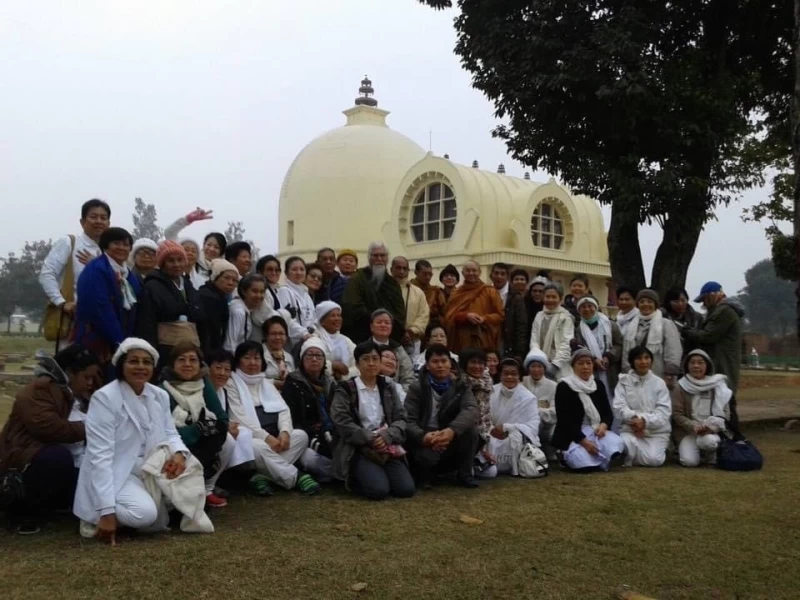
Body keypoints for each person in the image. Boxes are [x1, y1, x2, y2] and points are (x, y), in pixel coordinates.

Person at [74, 338, 212, 540]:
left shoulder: (159, 395)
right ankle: (97, 516)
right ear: (121, 365)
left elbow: (171, 433)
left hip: (151, 465)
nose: (140, 367)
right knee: (144, 514)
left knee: (191, 481)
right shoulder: (105, 398)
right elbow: (100, 457)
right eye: (133, 361)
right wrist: (106, 511)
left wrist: (180, 454)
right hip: (117, 471)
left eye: (146, 362)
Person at [0, 346, 99, 534]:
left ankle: (53, 504)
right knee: (56, 458)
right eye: (86, 377)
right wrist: (93, 428)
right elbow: (49, 428)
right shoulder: (41, 389)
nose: (90, 383)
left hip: (48, 457)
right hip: (21, 457)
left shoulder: (73, 394)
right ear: (70, 373)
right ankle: (19, 508)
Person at [225, 341, 320, 495]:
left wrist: (285, 432)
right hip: (253, 438)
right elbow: (238, 417)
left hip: (274, 437)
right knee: (255, 446)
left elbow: (283, 410)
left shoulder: (266, 383)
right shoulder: (231, 384)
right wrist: (266, 437)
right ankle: (295, 477)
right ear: (238, 361)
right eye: (247, 358)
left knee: (301, 436)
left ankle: (261, 476)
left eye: (257, 358)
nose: (252, 362)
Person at [330, 341, 415, 500]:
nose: (371, 363)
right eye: (366, 359)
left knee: (406, 489)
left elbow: (401, 417)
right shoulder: (346, 388)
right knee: (378, 491)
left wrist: (387, 436)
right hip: (359, 447)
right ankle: (355, 476)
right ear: (357, 364)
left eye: (375, 359)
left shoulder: (388, 386)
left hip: (386, 445)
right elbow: (341, 421)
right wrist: (371, 438)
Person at [160, 342, 233, 507]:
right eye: (181, 359)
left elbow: (221, 417)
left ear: (200, 364)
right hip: (174, 445)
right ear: (172, 363)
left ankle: (207, 489)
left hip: (203, 440)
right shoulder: (162, 390)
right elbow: (165, 431)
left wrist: (212, 429)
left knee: (229, 441)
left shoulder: (204, 384)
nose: (187, 364)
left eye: (192, 360)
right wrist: (196, 430)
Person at [404, 344, 480, 488]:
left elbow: (471, 409)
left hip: (448, 433)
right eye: (435, 361)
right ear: (427, 366)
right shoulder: (416, 388)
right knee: (426, 457)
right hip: (426, 435)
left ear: (450, 364)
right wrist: (424, 437)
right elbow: (408, 421)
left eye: (444, 361)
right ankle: (424, 476)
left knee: (471, 431)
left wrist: (451, 430)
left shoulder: (461, 386)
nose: (440, 365)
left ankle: (464, 475)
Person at [683, 282, 745, 436]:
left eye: (705, 299)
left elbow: (708, 336)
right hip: (720, 361)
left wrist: (688, 332)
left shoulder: (724, 311)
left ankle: (735, 436)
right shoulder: (720, 310)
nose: (704, 303)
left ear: (713, 295)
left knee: (725, 399)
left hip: (722, 363)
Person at [73, 227, 141, 367]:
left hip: (123, 340)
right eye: (116, 243)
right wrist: (119, 342)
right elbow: (100, 309)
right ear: (105, 246)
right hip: (99, 339)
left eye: (126, 244)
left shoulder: (127, 274)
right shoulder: (96, 270)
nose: (121, 248)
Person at [39, 199, 110, 325]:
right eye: (93, 217)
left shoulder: (108, 251)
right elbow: (47, 274)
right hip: (72, 319)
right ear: (82, 222)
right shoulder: (70, 242)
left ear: (108, 223)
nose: (99, 221)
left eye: (103, 218)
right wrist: (61, 303)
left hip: (101, 321)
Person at [552, 349, 625, 472]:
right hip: (573, 434)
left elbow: (607, 412)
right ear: (573, 366)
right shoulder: (564, 386)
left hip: (595, 430)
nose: (585, 367)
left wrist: (603, 425)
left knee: (617, 444)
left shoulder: (598, 384)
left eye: (589, 363)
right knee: (581, 461)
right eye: (580, 363)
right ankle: (568, 456)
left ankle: (597, 458)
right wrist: (584, 442)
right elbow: (565, 421)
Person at [136, 240, 204, 363]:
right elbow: (147, 324)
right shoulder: (152, 286)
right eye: (171, 261)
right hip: (165, 350)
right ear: (162, 264)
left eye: (180, 260)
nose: (176, 264)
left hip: (191, 348)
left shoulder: (187, 284)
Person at [282, 338, 338, 482]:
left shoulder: (331, 383)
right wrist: (312, 430)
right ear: (302, 359)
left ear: (324, 360)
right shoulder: (293, 381)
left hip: (331, 431)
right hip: (305, 434)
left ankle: (335, 472)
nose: (314, 359)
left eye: (318, 355)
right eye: (309, 355)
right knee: (309, 458)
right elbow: (291, 416)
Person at [478, 359, 541, 478]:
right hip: (491, 435)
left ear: (519, 376)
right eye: (506, 373)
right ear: (500, 375)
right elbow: (481, 417)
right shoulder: (490, 392)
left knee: (514, 439)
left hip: (514, 439)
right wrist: (492, 430)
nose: (510, 377)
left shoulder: (529, 398)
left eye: (514, 374)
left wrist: (507, 427)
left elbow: (533, 427)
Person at [671, 349, 732, 467]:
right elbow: (677, 414)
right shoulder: (681, 386)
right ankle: (695, 452)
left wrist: (712, 428)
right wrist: (694, 426)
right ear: (687, 365)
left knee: (709, 441)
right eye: (692, 362)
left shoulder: (717, 385)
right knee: (689, 462)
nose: (696, 366)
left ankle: (710, 454)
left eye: (700, 362)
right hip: (688, 431)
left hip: (710, 431)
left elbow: (725, 413)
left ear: (707, 365)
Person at [613, 346, 672, 467]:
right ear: (632, 361)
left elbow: (663, 412)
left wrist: (644, 421)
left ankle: (632, 456)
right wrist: (635, 421)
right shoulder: (623, 381)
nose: (643, 362)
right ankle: (631, 453)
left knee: (654, 460)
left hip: (656, 432)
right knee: (625, 445)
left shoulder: (659, 383)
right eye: (639, 358)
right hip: (630, 430)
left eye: (646, 358)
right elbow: (619, 407)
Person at [341, 241, 406, 343]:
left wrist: (385, 323)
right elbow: (351, 306)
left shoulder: (393, 283)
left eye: (382, 255)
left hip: (389, 338)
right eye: (375, 255)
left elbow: (400, 313)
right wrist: (376, 320)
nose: (379, 259)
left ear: (387, 258)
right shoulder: (357, 278)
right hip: (361, 336)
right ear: (369, 258)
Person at [206, 348, 255, 475]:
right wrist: (224, 427)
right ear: (207, 369)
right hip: (206, 433)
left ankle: (240, 472)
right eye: (218, 368)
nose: (222, 373)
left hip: (220, 430)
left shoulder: (223, 392)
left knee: (243, 432)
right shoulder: (202, 390)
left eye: (227, 369)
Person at [442, 260, 505, 353]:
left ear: (479, 272)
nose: (471, 273)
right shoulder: (456, 293)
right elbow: (448, 317)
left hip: (484, 340)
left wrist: (484, 318)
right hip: (461, 341)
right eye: (468, 270)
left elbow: (500, 316)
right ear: (463, 273)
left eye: (474, 270)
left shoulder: (490, 291)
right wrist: (465, 316)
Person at [621, 289, 682, 379]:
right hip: (634, 375)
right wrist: (626, 371)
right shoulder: (631, 325)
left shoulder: (666, 324)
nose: (645, 304)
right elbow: (626, 352)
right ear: (637, 305)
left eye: (649, 302)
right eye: (642, 302)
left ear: (655, 305)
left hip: (659, 375)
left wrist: (670, 373)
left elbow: (673, 350)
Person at [572, 296, 623, 397]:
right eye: (583, 307)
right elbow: (580, 349)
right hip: (591, 370)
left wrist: (608, 356)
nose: (587, 309)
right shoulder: (578, 331)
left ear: (596, 307)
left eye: (590, 306)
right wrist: (594, 360)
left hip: (611, 369)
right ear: (579, 311)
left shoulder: (611, 325)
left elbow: (619, 344)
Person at [529, 282, 574, 380]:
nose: (550, 300)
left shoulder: (565, 317)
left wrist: (555, 365)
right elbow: (534, 340)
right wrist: (539, 360)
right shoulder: (539, 316)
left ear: (560, 299)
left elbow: (566, 343)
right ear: (543, 298)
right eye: (547, 296)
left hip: (560, 366)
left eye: (554, 297)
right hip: (540, 364)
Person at [196, 259, 239, 357]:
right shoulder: (209, 297)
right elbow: (211, 332)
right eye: (226, 278)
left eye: (234, 280)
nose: (230, 283)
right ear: (215, 277)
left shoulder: (220, 296)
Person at [368, 309, 416, 390]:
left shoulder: (399, 350)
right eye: (379, 322)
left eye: (387, 323)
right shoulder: (364, 349)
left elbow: (408, 378)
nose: (383, 325)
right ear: (371, 327)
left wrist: (397, 393)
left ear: (391, 327)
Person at [522, 349, 557, 456]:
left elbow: (555, 411)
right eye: (533, 366)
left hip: (546, 427)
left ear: (544, 368)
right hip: (524, 425)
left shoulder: (553, 386)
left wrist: (537, 412)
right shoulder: (522, 382)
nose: (536, 370)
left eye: (540, 366)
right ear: (528, 368)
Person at [490, 263, 528, 362]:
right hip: (487, 340)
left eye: (503, 274)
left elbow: (521, 326)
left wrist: (519, 352)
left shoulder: (516, 297)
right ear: (491, 275)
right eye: (496, 273)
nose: (499, 276)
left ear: (507, 277)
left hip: (507, 343)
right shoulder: (484, 293)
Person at [277, 256, 318, 347]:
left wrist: (312, 332)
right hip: (293, 343)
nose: (299, 272)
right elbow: (287, 320)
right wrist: (303, 333)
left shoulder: (306, 294)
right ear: (286, 273)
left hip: (308, 341)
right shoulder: (285, 291)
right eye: (294, 269)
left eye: (302, 269)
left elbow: (313, 318)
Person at [459, 349, 494, 448]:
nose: (477, 366)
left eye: (480, 363)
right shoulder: (458, 385)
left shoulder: (487, 383)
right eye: (473, 362)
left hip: (485, 434)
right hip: (464, 436)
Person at [315, 301, 358, 381]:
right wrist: (332, 366)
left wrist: (343, 376)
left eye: (339, 315)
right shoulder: (315, 339)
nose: (337, 319)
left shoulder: (346, 340)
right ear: (322, 321)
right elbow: (314, 361)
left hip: (346, 383)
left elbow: (358, 364)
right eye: (333, 316)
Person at [225, 274, 267, 353]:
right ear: (244, 291)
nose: (259, 295)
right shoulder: (238, 312)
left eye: (262, 292)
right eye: (254, 291)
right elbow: (230, 345)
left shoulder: (249, 310)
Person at [262, 315, 296, 389]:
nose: (277, 337)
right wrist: (274, 383)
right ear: (266, 336)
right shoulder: (258, 355)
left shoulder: (289, 357)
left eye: (281, 334)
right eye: (273, 334)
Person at [410, 260, 447, 326]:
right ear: (416, 272)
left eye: (430, 274)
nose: (428, 277)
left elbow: (444, 312)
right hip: (412, 324)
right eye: (424, 274)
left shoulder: (436, 291)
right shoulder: (409, 289)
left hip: (431, 326)